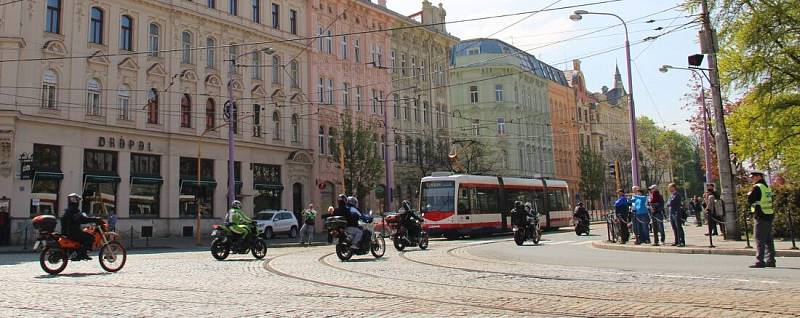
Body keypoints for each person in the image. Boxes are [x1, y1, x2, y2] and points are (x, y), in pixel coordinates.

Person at [748, 170, 775, 268]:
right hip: (768, 214)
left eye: (753, 177)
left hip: (760, 215)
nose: (752, 179)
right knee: (768, 239)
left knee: (759, 239)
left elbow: (750, 199)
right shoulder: (767, 187)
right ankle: (771, 260)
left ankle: (760, 260)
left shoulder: (757, 187)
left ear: (759, 177)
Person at [60, 193, 99, 261]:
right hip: (73, 232)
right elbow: (82, 220)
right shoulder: (74, 210)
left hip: (67, 231)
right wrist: (95, 219)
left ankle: (78, 252)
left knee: (83, 236)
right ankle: (82, 254)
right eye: (78, 200)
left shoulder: (68, 209)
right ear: (76, 201)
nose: (78, 202)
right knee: (90, 237)